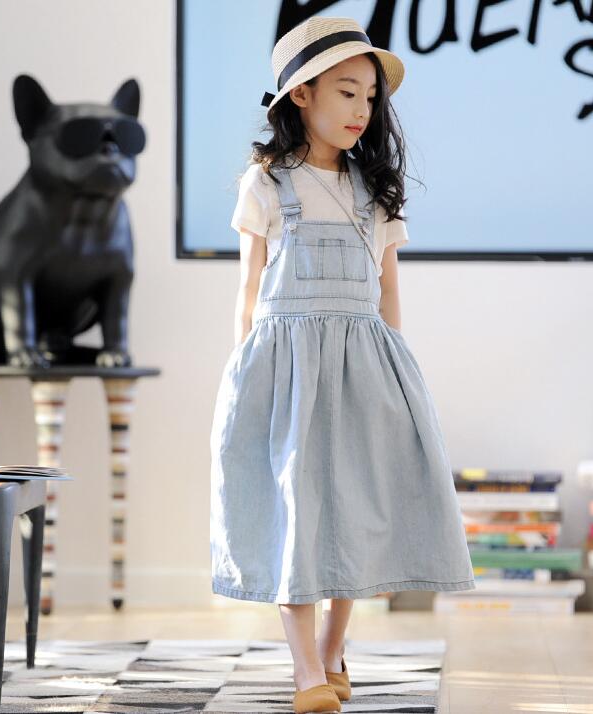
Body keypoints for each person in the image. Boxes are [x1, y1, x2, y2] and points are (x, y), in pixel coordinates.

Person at [209, 16, 476, 714]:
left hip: (365, 368)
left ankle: (332, 651)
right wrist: (242, 376)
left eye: (370, 98)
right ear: (300, 95)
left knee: (357, 514)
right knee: (294, 518)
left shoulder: (374, 191)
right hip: (286, 371)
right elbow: (248, 293)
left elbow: (389, 294)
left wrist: (397, 381)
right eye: (347, 92)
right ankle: (307, 674)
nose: (362, 110)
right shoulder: (267, 183)